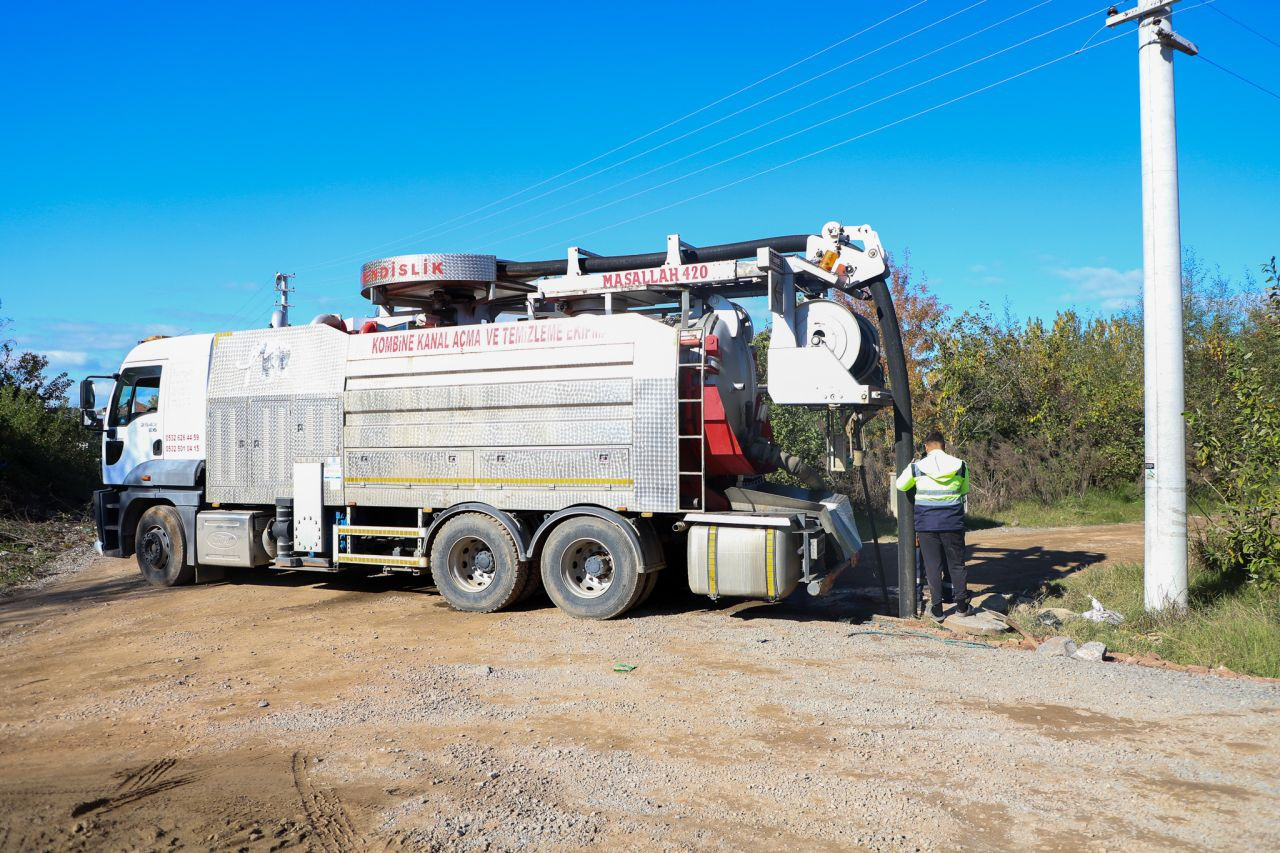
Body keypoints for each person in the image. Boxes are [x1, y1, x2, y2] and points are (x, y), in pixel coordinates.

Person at [895, 430, 971, 621]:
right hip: (952, 522)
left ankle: (937, 609)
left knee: (932, 566)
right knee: (957, 564)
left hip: (927, 524)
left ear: (927, 447)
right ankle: (961, 606)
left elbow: (901, 485)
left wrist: (910, 466)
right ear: (943, 446)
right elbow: (965, 489)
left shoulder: (917, 467)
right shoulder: (960, 465)